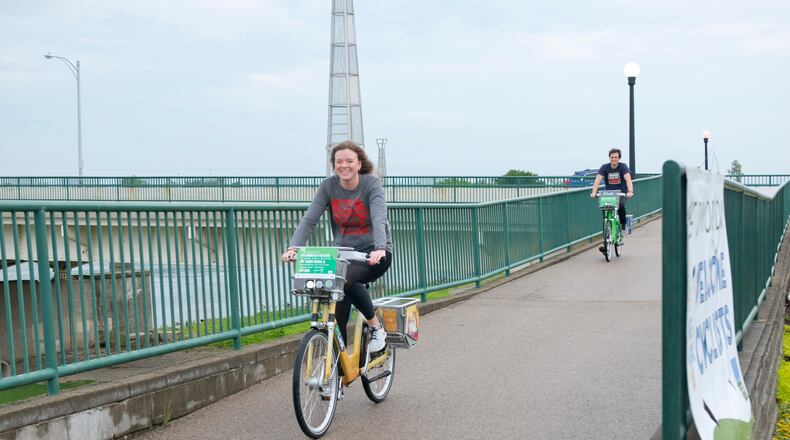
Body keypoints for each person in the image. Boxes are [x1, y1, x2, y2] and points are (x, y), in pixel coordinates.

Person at [282, 140, 393, 353]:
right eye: (339, 161)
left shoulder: (371, 185)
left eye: (349, 161)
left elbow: (379, 217)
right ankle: (338, 371)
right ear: (334, 165)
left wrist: (380, 247)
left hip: (375, 252)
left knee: (345, 281)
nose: (344, 165)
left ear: (359, 164)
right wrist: (293, 247)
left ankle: (376, 327)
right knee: (336, 303)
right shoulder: (328, 187)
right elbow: (309, 220)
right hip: (344, 254)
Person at [590, 148, 634, 252]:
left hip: (621, 193)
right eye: (612, 157)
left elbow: (628, 179)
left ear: (619, 158)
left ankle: (622, 225)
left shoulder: (623, 167)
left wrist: (630, 191)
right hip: (608, 194)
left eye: (616, 157)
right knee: (605, 212)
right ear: (609, 157)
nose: (614, 159)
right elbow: (598, 180)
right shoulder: (604, 167)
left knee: (621, 206)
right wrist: (593, 192)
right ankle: (607, 236)